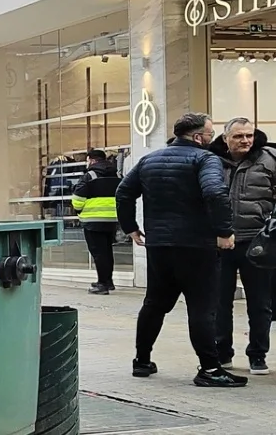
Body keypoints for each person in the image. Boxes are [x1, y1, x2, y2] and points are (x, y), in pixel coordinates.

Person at [117, 112, 245, 387]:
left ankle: (142, 360)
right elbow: (214, 193)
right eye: (210, 135)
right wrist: (224, 232)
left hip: (160, 245)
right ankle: (210, 369)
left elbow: (124, 192)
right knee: (201, 307)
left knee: (155, 304)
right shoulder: (204, 159)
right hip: (196, 246)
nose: (212, 140)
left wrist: (130, 227)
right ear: (198, 137)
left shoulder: (149, 160)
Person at [210, 117, 276, 374]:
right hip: (219, 241)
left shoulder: (269, 158)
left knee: (260, 302)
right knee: (219, 301)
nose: (245, 141)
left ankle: (258, 355)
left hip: (258, 242)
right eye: (239, 136)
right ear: (225, 138)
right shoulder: (210, 160)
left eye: (249, 135)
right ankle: (222, 352)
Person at [71, 149, 121, 295]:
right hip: (112, 219)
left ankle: (102, 284)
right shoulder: (117, 174)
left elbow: (78, 199)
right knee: (107, 251)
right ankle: (108, 281)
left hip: (93, 220)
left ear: (91, 160)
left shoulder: (90, 176)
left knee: (99, 253)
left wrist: (79, 211)